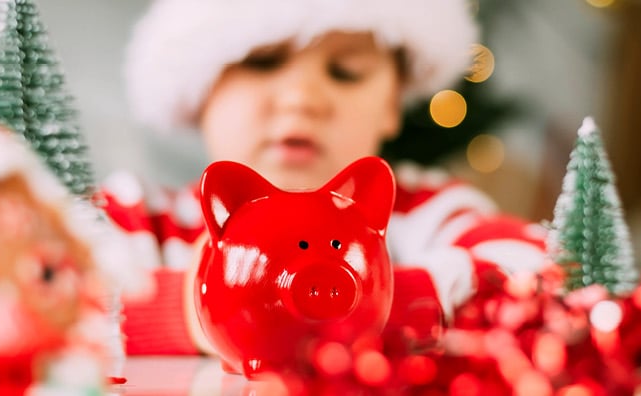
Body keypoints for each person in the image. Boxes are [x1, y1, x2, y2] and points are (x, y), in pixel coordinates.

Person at [100, 0, 551, 355]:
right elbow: (51, 293)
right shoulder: (141, 214)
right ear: (199, 92)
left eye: (345, 73)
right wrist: (192, 312)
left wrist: (365, 304)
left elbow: (531, 270)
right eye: (261, 62)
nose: (302, 99)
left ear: (392, 104)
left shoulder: (428, 209)